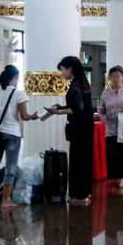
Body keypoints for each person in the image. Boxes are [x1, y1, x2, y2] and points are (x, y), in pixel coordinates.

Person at [0, 65, 38, 209]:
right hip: (12, 134)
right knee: (11, 167)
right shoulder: (19, 94)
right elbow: (24, 116)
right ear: (14, 78)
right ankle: (5, 200)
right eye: (17, 78)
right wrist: (33, 116)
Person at [47, 56, 95, 205]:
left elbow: (76, 110)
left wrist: (57, 111)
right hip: (87, 127)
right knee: (85, 160)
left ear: (70, 69)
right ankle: (86, 192)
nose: (62, 74)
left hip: (78, 129)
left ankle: (79, 196)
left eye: (62, 70)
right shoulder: (84, 83)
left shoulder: (75, 86)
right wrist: (60, 108)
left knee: (77, 160)